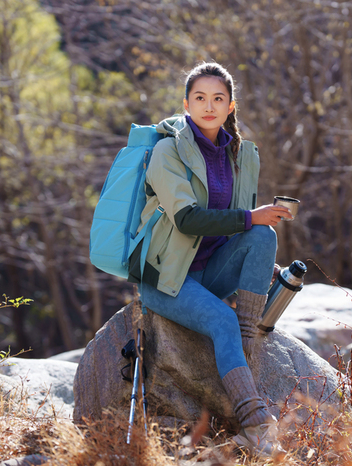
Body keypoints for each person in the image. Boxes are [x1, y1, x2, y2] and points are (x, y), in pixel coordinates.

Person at [127, 62, 291, 457]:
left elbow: (241, 229)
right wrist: (251, 217)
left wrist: (256, 252)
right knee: (221, 318)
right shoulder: (168, 151)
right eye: (199, 98)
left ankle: (247, 344)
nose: (209, 106)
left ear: (231, 106)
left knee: (263, 235)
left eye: (218, 98)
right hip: (166, 280)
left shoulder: (237, 155)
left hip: (208, 272)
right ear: (186, 104)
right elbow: (186, 219)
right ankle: (255, 424)